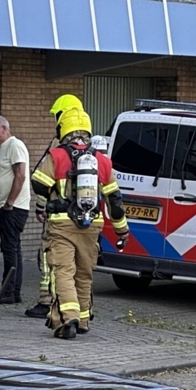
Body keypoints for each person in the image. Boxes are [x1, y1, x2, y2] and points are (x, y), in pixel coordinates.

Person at [31, 107, 129, 339]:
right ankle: (84, 320)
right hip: (92, 225)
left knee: (64, 271)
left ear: (63, 129)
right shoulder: (102, 161)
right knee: (84, 273)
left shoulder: (57, 156)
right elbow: (115, 202)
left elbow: (39, 184)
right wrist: (121, 230)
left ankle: (70, 318)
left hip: (62, 224)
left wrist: (45, 203)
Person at [25, 94, 84, 320]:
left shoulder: (60, 144)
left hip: (57, 213)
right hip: (82, 215)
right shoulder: (87, 146)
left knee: (50, 257)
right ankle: (77, 308)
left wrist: (41, 207)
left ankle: (47, 301)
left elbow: (45, 182)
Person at [0, 115, 31, 304]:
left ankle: (8, 291)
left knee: (9, 250)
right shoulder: (3, 149)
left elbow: (20, 176)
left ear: (4, 128)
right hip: (7, 207)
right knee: (13, 249)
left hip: (13, 208)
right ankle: (14, 291)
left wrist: (9, 203)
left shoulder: (14, 145)